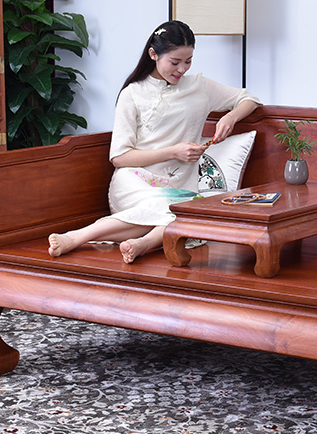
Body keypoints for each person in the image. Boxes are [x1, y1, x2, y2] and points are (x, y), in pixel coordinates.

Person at [48, 20, 260, 263]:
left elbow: (249, 99)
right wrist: (173, 152)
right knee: (171, 213)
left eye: (188, 61)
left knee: (187, 213)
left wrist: (230, 117)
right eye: (175, 62)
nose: (182, 69)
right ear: (153, 54)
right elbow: (119, 158)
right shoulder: (132, 94)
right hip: (135, 181)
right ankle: (76, 237)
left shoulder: (200, 87)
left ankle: (143, 243)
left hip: (179, 188)